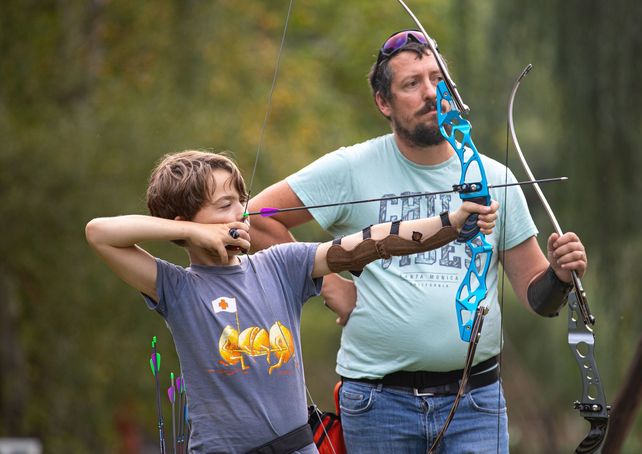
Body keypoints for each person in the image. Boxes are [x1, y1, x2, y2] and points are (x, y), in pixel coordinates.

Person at [248, 30, 589, 453]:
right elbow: (257, 217)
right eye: (412, 84)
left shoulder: (495, 177)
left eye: (437, 78)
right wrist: (327, 282)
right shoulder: (352, 167)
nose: (430, 92)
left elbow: (539, 298)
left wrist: (557, 274)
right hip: (377, 403)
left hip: (476, 403)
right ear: (384, 103)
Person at [85, 149, 498, 453]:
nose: (241, 215)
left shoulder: (282, 264)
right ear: (183, 225)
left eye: (242, 203)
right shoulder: (176, 288)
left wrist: (451, 224)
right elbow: (99, 232)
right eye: (225, 206)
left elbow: (367, 243)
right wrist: (194, 234)